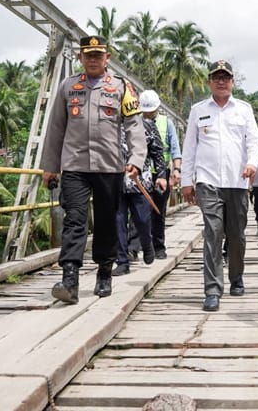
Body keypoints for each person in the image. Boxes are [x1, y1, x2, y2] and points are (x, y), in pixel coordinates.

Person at [40, 35, 146, 304]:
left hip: (109, 165)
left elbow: (134, 126)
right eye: (88, 55)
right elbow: (55, 129)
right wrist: (50, 167)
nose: (93, 59)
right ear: (80, 57)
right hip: (74, 164)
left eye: (98, 55)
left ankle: (104, 272)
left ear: (107, 58)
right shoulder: (68, 87)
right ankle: (70, 278)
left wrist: (136, 159)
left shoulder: (121, 88)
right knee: (74, 219)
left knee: (107, 221)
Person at [181, 59, 258, 312]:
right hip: (208, 181)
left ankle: (236, 276)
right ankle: (213, 289)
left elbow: (254, 141)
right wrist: (186, 181)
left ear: (232, 82)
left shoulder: (244, 110)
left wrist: (252, 163)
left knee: (236, 235)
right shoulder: (198, 110)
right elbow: (190, 148)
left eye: (225, 77)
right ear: (209, 82)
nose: (221, 81)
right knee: (213, 233)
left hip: (237, 181)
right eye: (216, 77)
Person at [113, 113, 168, 276]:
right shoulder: (109, 124)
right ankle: (122, 261)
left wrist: (161, 176)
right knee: (118, 221)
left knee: (142, 219)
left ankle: (146, 243)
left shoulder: (147, 125)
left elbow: (157, 152)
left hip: (140, 182)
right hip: (115, 182)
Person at [139, 89, 182, 259]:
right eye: (146, 112)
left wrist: (176, 170)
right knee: (139, 210)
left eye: (151, 112)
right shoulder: (134, 122)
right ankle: (135, 247)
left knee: (159, 211)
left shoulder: (166, 123)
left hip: (161, 173)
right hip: (141, 173)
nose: (149, 115)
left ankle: (158, 246)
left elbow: (175, 148)